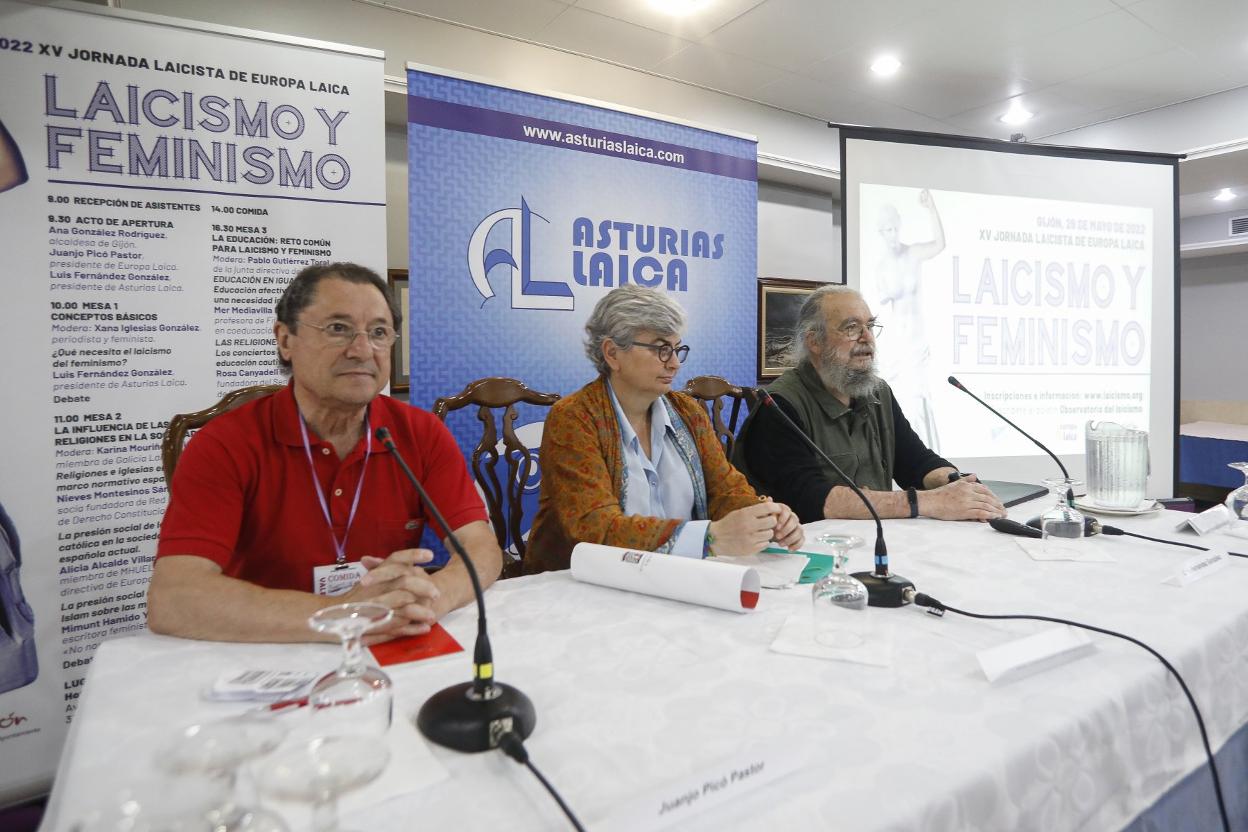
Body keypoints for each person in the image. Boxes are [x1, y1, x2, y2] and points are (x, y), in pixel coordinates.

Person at [147, 262, 503, 643]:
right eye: (338, 329)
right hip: (266, 654)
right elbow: (174, 597)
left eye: (379, 332)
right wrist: (347, 615)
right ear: (286, 340)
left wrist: (433, 599)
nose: (362, 349)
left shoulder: (419, 433)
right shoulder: (225, 444)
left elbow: (481, 549)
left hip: (384, 645)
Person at [526, 285, 803, 574]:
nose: (673, 363)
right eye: (660, 349)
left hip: (676, 580)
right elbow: (595, 528)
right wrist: (709, 537)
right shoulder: (574, 418)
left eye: (676, 349)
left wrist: (764, 517)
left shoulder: (688, 412)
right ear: (612, 353)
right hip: (582, 587)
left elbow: (725, 490)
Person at [734, 284, 1006, 524]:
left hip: (875, 541)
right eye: (851, 328)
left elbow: (915, 461)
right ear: (814, 341)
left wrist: (956, 485)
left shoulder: (877, 392)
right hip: (809, 556)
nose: (867, 337)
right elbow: (812, 500)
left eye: (870, 326)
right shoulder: (779, 406)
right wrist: (928, 502)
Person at [873, 189, 944, 449]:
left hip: (918, 341)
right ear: (880, 233)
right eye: (886, 230)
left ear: (899, 226)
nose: (892, 234)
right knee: (903, 410)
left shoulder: (913, 254)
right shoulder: (881, 267)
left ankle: (931, 465)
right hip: (898, 346)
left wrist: (931, 208)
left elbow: (939, 244)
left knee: (921, 405)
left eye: (894, 228)